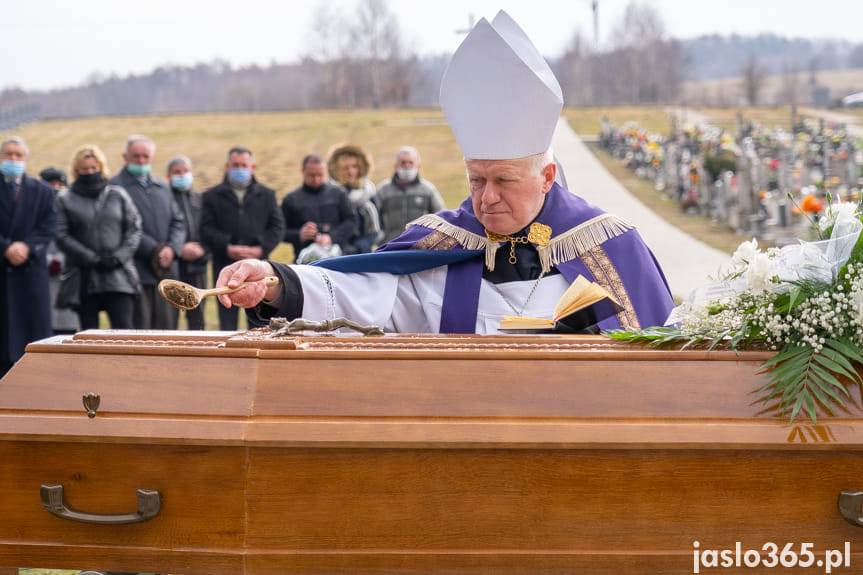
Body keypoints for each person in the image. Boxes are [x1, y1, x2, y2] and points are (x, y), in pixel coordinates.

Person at [214, 11, 674, 335]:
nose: (486, 198)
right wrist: (274, 282)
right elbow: (361, 291)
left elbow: (659, 360)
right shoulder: (442, 244)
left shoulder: (611, 248)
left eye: (504, 181)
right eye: (477, 180)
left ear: (547, 176)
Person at [55, 146, 143, 330]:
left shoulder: (118, 195)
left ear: (101, 168)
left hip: (119, 276)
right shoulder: (65, 199)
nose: (90, 172)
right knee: (89, 335)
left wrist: (119, 257)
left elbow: (134, 229)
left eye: (94, 168)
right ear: (76, 170)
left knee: (125, 333)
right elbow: (61, 234)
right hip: (84, 277)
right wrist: (91, 258)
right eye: (84, 169)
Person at [200, 146, 284, 330]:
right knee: (227, 318)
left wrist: (260, 248)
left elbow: (277, 228)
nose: (240, 169)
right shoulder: (211, 196)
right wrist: (226, 246)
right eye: (235, 165)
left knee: (259, 320)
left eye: (244, 165)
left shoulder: (267, 195)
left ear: (252, 167)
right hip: (225, 264)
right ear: (227, 166)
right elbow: (206, 229)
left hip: (258, 267)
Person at [109, 135, 185, 329]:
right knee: (140, 333)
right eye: (136, 156)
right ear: (125, 157)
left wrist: (172, 249)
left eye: (145, 156)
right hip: (136, 272)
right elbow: (122, 226)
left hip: (166, 273)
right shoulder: (115, 187)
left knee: (168, 333)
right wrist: (155, 250)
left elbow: (178, 221)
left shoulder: (163, 187)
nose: (141, 161)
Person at [0, 137, 57, 377]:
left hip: (31, 271)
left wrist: (27, 247)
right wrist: (5, 248)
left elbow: (49, 225)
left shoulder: (42, 191)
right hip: (3, 271)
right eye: (8, 154)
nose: (13, 159)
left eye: (18, 155)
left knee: (32, 336)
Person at [281, 154, 355, 259]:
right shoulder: (291, 199)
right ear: (302, 171)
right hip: (305, 259)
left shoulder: (339, 194)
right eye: (311, 175)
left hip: (339, 255)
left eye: (320, 175)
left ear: (326, 171)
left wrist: (331, 237)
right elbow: (279, 230)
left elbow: (351, 221)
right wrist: (299, 235)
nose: (316, 179)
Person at [168, 155, 209, 330]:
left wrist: (203, 250)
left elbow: (209, 229)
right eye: (177, 172)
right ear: (168, 176)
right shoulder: (165, 199)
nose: (182, 175)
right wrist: (179, 249)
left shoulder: (200, 199)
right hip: (173, 267)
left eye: (185, 171)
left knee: (197, 319)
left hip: (197, 267)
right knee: (169, 319)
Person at [376, 146, 445, 243]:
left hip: (419, 246)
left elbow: (441, 217)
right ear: (396, 165)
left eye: (410, 162)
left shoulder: (428, 190)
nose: (407, 166)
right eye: (403, 162)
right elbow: (374, 218)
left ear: (418, 165)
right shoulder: (383, 190)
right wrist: (380, 237)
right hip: (390, 245)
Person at [327, 144, 381, 253]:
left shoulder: (369, 192)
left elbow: (377, 229)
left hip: (364, 253)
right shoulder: (329, 194)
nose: (350, 171)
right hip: (336, 252)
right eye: (345, 168)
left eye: (355, 166)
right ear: (336, 169)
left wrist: (360, 247)